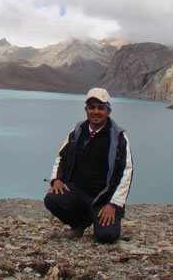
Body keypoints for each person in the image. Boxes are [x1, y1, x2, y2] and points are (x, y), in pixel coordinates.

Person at [44, 88, 133, 243]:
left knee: (106, 237)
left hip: (104, 198)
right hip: (78, 192)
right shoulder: (78, 132)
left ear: (108, 111)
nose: (96, 112)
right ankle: (80, 222)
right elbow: (62, 157)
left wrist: (114, 204)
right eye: (92, 107)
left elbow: (126, 172)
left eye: (101, 108)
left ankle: (99, 218)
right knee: (52, 199)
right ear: (86, 109)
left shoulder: (118, 138)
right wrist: (56, 180)